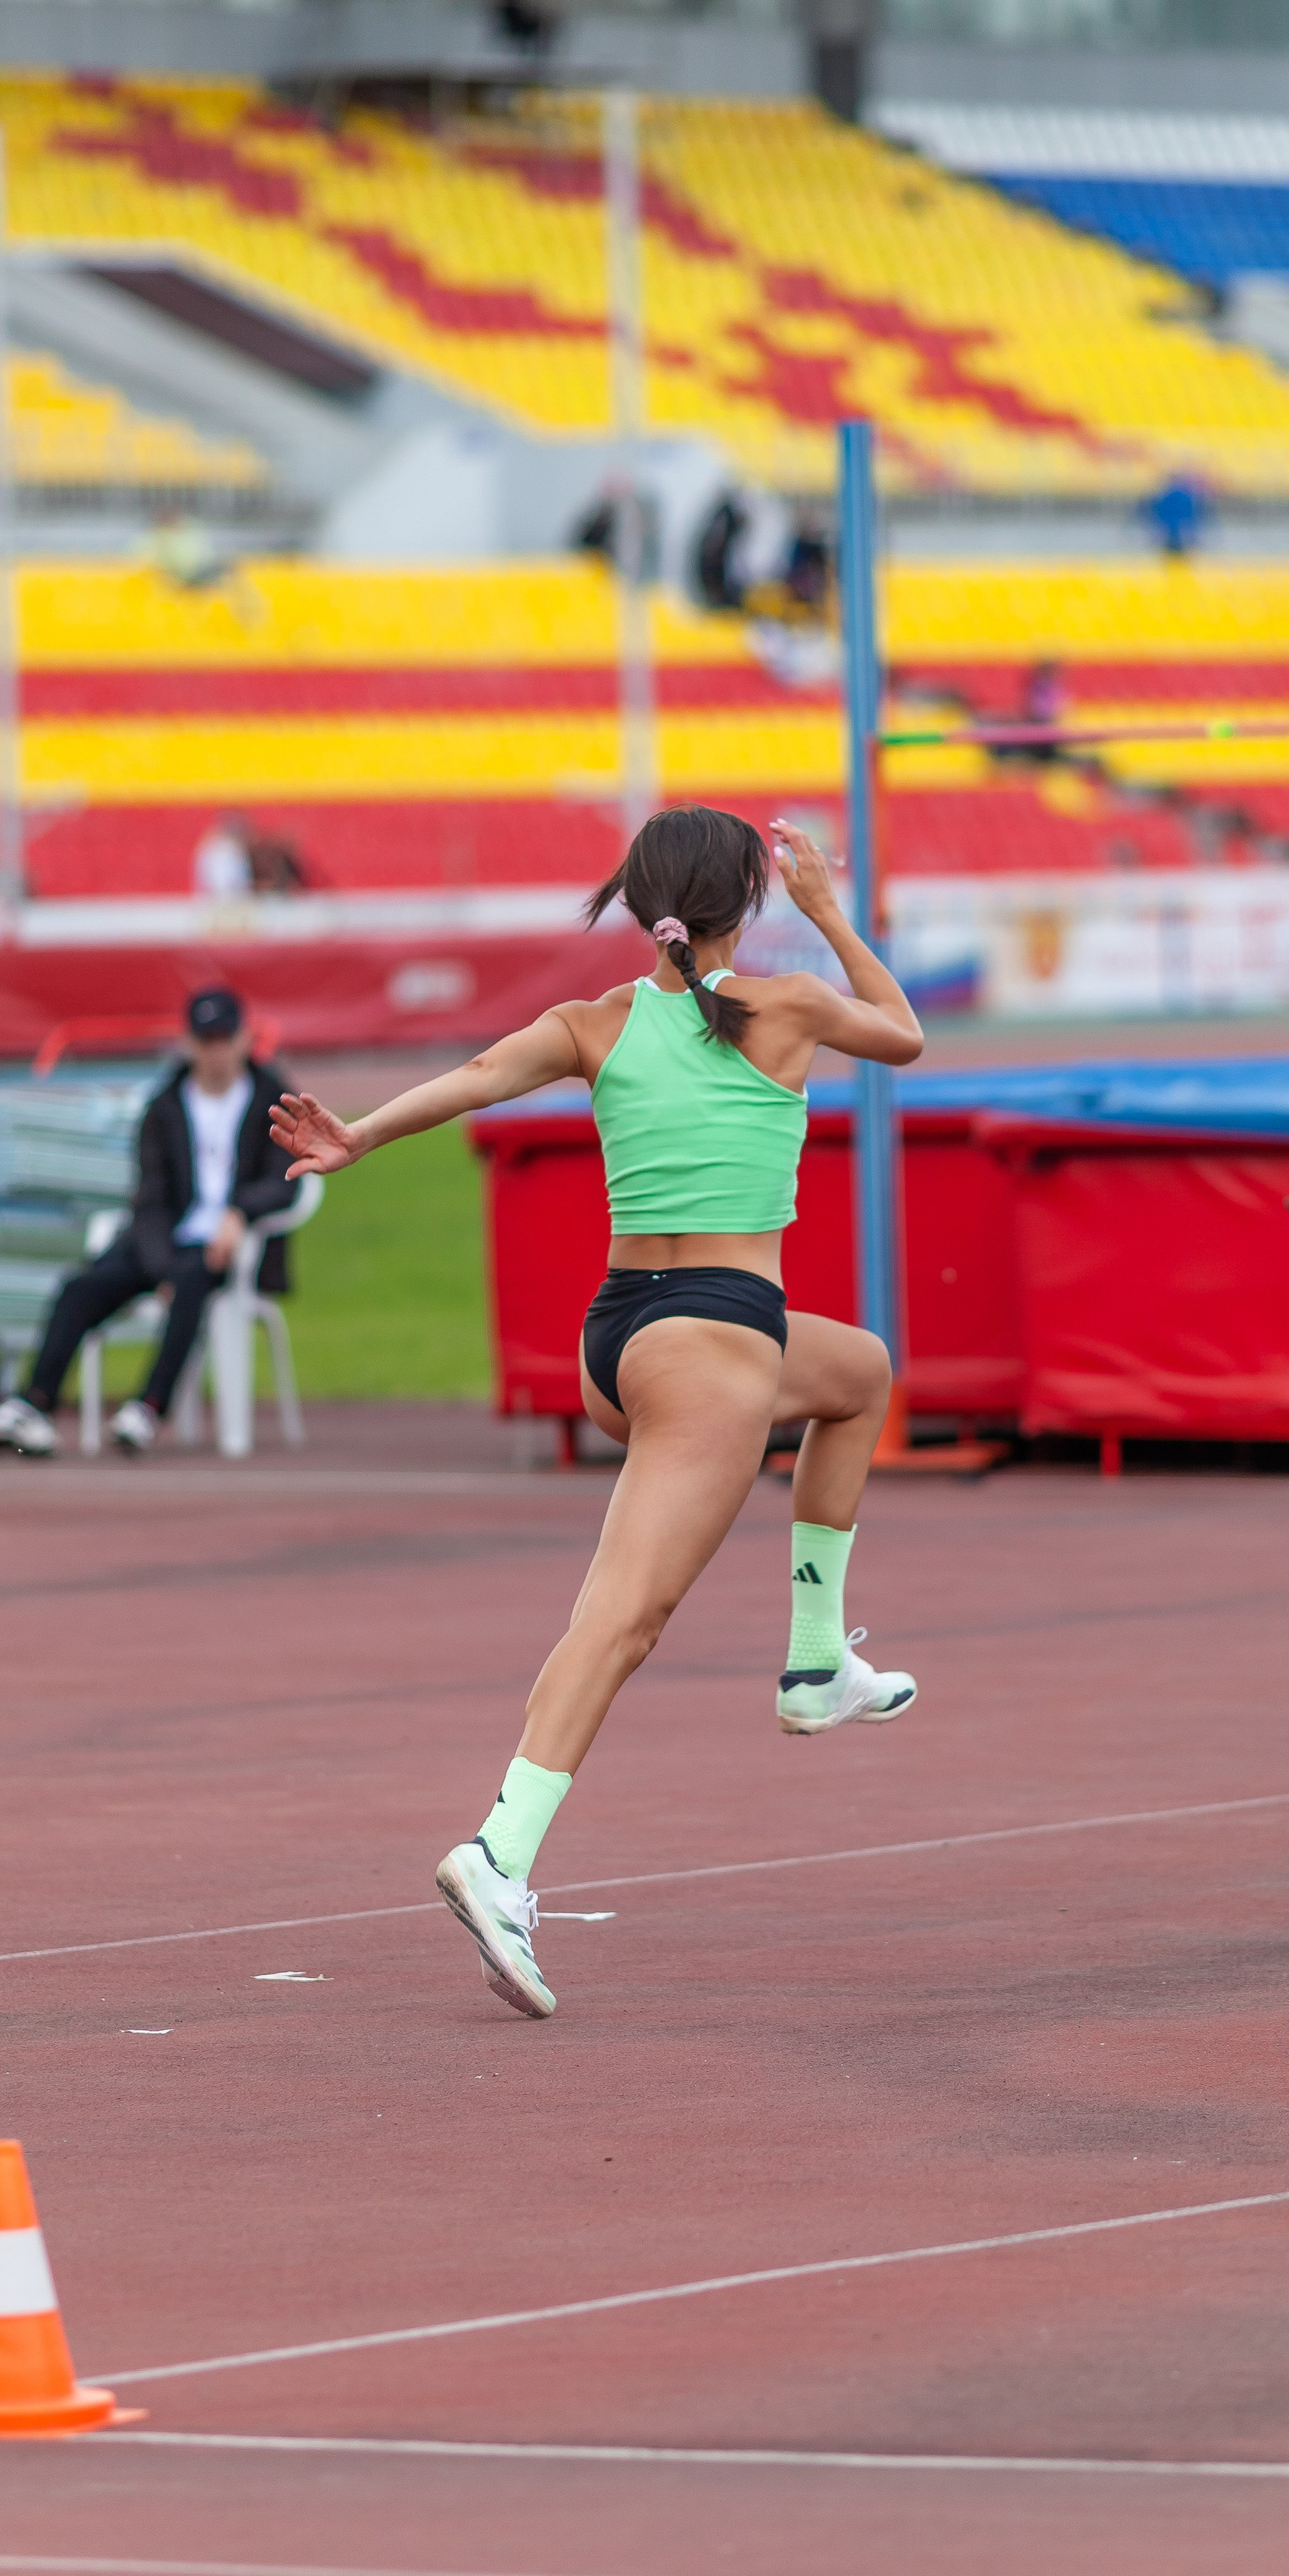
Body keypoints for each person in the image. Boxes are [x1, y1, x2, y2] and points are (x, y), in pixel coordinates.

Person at [270, 805, 924, 2021]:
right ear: (747, 904)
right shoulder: (787, 1006)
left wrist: (359, 1137)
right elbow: (904, 1033)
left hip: (620, 1339)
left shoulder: (597, 1022)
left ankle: (815, 1661)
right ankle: (499, 1853)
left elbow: (475, 1080)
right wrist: (831, 913)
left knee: (857, 1373)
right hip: (715, 1345)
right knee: (622, 1621)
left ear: (640, 908)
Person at [0, 989, 295, 1460]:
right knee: (80, 1288)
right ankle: (34, 1404)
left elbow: (285, 1179)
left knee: (194, 1278)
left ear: (245, 1039)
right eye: (206, 1040)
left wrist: (239, 1213)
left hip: (230, 1250)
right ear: (188, 1043)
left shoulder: (273, 1100)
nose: (217, 1051)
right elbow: (150, 1198)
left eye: (225, 1038)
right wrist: (162, 1266)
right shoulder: (164, 1106)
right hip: (163, 1242)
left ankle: (148, 1407)